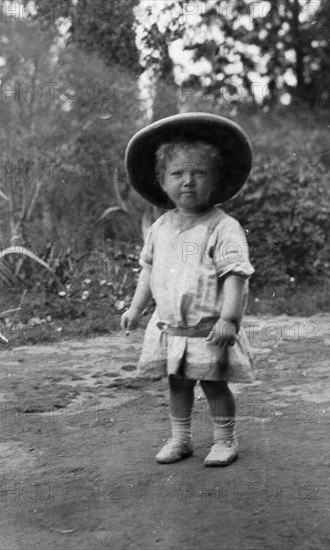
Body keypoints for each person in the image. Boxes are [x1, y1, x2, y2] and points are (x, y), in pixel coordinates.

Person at [121, 113, 255, 466]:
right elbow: (148, 271)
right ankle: (180, 438)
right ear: (162, 182)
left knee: (212, 383)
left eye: (199, 173)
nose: (189, 182)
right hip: (170, 328)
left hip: (209, 330)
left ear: (215, 181)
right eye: (178, 174)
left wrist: (229, 319)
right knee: (177, 383)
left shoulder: (223, 227)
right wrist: (135, 309)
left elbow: (235, 277)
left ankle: (225, 439)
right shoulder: (160, 228)